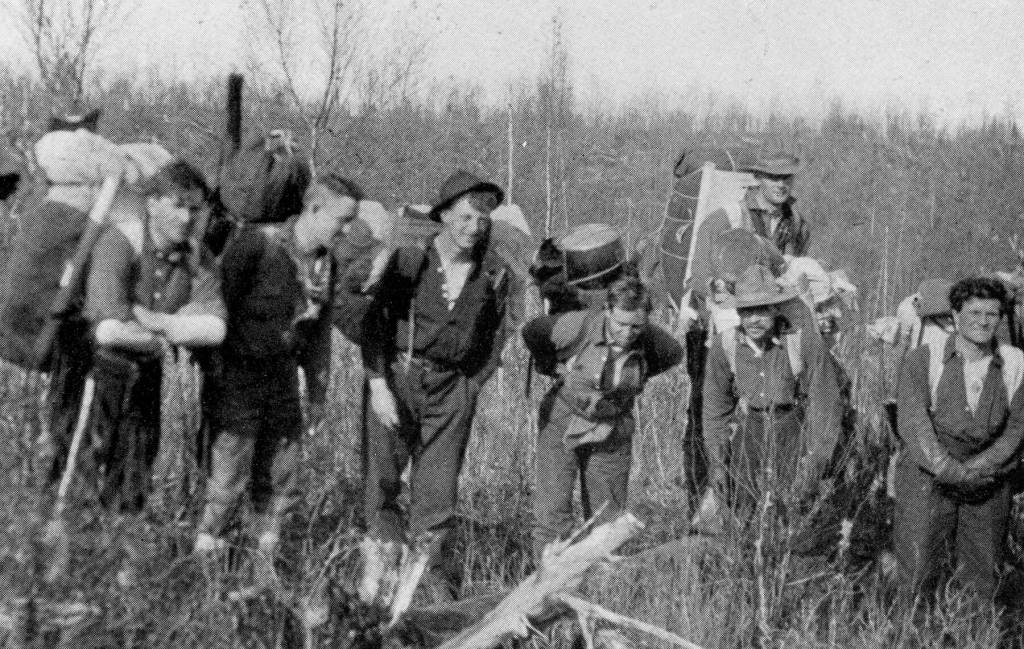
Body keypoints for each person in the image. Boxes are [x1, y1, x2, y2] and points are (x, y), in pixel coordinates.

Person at [350, 170, 511, 600]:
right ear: (442, 216)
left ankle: (432, 596)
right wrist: (379, 384)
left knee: (437, 496)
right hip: (397, 379)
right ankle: (378, 591)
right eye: (463, 219)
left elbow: (495, 339)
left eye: (482, 221)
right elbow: (374, 325)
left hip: (452, 390)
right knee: (380, 485)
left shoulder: (494, 274)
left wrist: (470, 387)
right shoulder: (409, 261)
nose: (473, 229)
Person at [194, 171, 362, 556]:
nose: (347, 231)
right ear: (314, 209)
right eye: (342, 220)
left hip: (282, 380)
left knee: (280, 479)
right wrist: (215, 373)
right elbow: (216, 307)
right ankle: (206, 574)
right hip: (236, 376)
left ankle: (263, 572)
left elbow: (319, 335)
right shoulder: (257, 245)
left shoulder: (325, 264)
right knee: (226, 478)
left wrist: (318, 393)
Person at [83, 159, 226, 515]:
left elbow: (215, 327)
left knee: (136, 471)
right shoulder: (121, 241)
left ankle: (122, 560)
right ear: (152, 203)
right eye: (178, 205)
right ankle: (70, 563)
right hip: (96, 371)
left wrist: (158, 323)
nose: (187, 218)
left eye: (195, 209)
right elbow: (108, 329)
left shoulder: (198, 257)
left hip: (147, 374)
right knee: (81, 471)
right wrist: (174, 332)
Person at [681, 151, 810, 509]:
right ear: (757, 179)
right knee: (708, 414)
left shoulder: (795, 224)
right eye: (772, 178)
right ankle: (704, 504)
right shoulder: (727, 217)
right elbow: (698, 276)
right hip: (719, 332)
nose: (780, 185)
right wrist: (718, 289)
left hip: (770, 333)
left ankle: (762, 504)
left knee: (773, 413)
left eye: (786, 178)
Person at [523, 275, 682, 558]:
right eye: (620, 323)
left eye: (637, 326)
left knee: (606, 519)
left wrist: (629, 381)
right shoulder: (576, 326)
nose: (628, 333)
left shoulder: (655, 341)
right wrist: (553, 368)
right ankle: (545, 588)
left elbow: (671, 354)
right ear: (607, 311)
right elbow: (532, 333)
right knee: (552, 513)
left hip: (612, 428)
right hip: (563, 419)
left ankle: (601, 586)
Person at [892, 276, 1024, 600]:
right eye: (974, 313)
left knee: (982, 573)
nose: (982, 321)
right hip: (928, 473)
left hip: (989, 475)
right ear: (954, 315)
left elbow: (1017, 428)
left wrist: (980, 467)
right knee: (918, 566)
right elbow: (913, 420)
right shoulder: (924, 357)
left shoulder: (1015, 363)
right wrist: (946, 468)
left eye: (991, 314)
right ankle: (912, 637)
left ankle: (973, 637)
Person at [694, 264, 843, 530]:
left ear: (776, 309)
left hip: (793, 430)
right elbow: (715, 409)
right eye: (747, 311)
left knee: (793, 516)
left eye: (761, 310)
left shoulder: (801, 340)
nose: (753, 320)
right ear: (738, 311)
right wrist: (717, 462)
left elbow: (825, 405)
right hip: (750, 432)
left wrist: (816, 462)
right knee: (741, 517)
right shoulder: (725, 345)